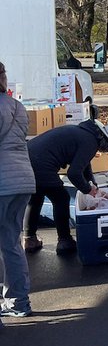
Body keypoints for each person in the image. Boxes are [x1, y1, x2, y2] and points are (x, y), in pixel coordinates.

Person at [23, 118, 108, 256]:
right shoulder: (90, 142)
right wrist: (88, 190)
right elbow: (73, 173)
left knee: (35, 199)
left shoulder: (85, 134)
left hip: (25, 160)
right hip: (42, 165)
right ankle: (64, 240)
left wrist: (93, 184)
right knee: (61, 199)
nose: (107, 152)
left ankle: (29, 239)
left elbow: (84, 164)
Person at [0, 60, 35, 321]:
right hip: (22, 180)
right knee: (11, 243)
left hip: (3, 182)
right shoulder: (17, 106)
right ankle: (19, 302)